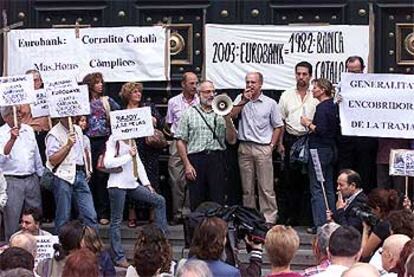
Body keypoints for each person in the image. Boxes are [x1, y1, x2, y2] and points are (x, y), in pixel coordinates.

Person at [103, 125, 167, 268]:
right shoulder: (114, 139)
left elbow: (138, 163)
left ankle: (162, 244)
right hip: (117, 184)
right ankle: (118, 257)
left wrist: (147, 183)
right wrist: (127, 155)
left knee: (159, 200)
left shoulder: (132, 140)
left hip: (132, 183)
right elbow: (107, 162)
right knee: (116, 221)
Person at [231, 72, 284, 224]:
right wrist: (243, 101)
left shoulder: (270, 103)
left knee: (266, 187)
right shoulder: (240, 99)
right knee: (247, 188)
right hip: (245, 147)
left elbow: (278, 126)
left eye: (253, 82)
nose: (250, 85)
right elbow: (232, 116)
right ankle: (249, 218)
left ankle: (269, 218)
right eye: (247, 82)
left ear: (260, 84)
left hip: (263, 148)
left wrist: (272, 145)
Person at [176, 80, 237, 210]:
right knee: (197, 199)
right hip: (196, 160)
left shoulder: (222, 114)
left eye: (213, 91)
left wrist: (227, 118)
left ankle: (217, 229)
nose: (211, 95)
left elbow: (232, 140)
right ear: (199, 94)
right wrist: (187, 165)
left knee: (218, 198)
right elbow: (180, 140)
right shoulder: (188, 113)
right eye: (207, 92)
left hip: (217, 159)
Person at [118, 82, 165, 228]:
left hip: (148, 148)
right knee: (132, 178)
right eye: (134, 92)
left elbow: (162, 123)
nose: (138, 94)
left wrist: (154, 120)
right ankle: (132, 214)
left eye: (139, 91)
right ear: (128, 95)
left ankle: (152, 214)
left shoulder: (148, 107)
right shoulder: (122, 111)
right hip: (130, 148)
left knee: (151, 179)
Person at [278, 61, 319, 226]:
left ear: (310, 76)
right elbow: (279, 121)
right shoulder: (286, 95)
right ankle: (291, 217)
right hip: (291, 139)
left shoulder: (316, 95)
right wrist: (280, 144)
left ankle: (308, 218)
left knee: (309, 181)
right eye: (298, 74)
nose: (301, 77)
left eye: (304, 74)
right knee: (290, 181)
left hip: (310, 139)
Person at [45, 116, 98, 233]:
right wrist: (68, 145)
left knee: (90, 215)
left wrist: (87, 169)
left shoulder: (77, 129)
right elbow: (53, 160)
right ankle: (61, 248)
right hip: (62, 176)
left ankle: (93, 248)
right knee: (63, 216)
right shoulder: (53, 134)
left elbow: (83, 152)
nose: (74, 116)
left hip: (79, 174)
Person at [300, 78, 339, 232]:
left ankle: (320, 223)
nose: (312, 90)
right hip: (330, 149)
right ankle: (331, 219)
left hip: (319, 150)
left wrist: (308, 124)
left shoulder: (322, 108)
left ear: (323, 90)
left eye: (315, 87)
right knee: (328, 186)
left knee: (317, 187)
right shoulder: (333, 106)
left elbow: (321, 130)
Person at [0, 106, 44, 240]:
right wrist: (11, 140)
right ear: (6, 117)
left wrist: (40, 174)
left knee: (34, 218)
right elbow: (1, 159)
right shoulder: (1, 133)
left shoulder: (29, 130)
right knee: (12, 220)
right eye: (15, 113)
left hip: (31, 179)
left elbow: (36, 154)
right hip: (12, 180)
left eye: (19, 112)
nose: (19, 115)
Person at [83, 72, 120, 226]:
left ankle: (103, 212)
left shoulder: (107, 101)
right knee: (88, 175)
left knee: (102, 176)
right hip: (87, 140)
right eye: (97, 82)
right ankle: (88, 211)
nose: (100, 85)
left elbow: (119, 114)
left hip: (104, 141)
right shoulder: (83, 101)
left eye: (101, 82)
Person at [337, 56, 378, 193]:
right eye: (350, 72)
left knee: (365, 175)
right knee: (345, 176)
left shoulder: (373, 87)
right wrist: (337, 101)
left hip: (365, 140)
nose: (353, 75)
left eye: (356, 72)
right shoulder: (341, 87)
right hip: (347, 141)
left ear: (363, 70)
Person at [20, 69, 55, 223]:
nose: (35, 83)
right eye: (31, 80)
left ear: (41, 81)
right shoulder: (21, 98)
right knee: (32, 172)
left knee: (47, 173)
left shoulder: (47, 97)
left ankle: (46, 212)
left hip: (46, 136)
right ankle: (29, 215)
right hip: (28, 136)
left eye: (37, 80)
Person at [167, 72, 199, 223]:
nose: (195, 86)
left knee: (193, 177)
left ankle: (189, 213)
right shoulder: (173, 102)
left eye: (196, 83)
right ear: (183, 84)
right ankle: (177, 213)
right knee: (176, 179)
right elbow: (169, 123)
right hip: (178, 141)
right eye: (191, 83)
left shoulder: (201, 101)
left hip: (195, 141)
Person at [361, 188, 401, 259]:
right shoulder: (399, 217)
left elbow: (364, 253)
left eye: (372, 209)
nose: (372, 212)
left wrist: (365, 230)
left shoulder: (382, 226)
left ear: (378, 209)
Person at [327, 169, 368, 234]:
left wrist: (340, 210)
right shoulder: (346, 198)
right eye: (337, 184)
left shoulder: (361, 203)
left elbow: (349, 232)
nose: (338, 188)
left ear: (353, 186)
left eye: (341, 185)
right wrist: (332, 218)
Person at [74, 115, 93, 180]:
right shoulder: (73, 137)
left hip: (84, 168)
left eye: (85, 121)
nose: (84, 123)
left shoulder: (86, 138)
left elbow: (88, 154)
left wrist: (89, 169)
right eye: (82, 121)